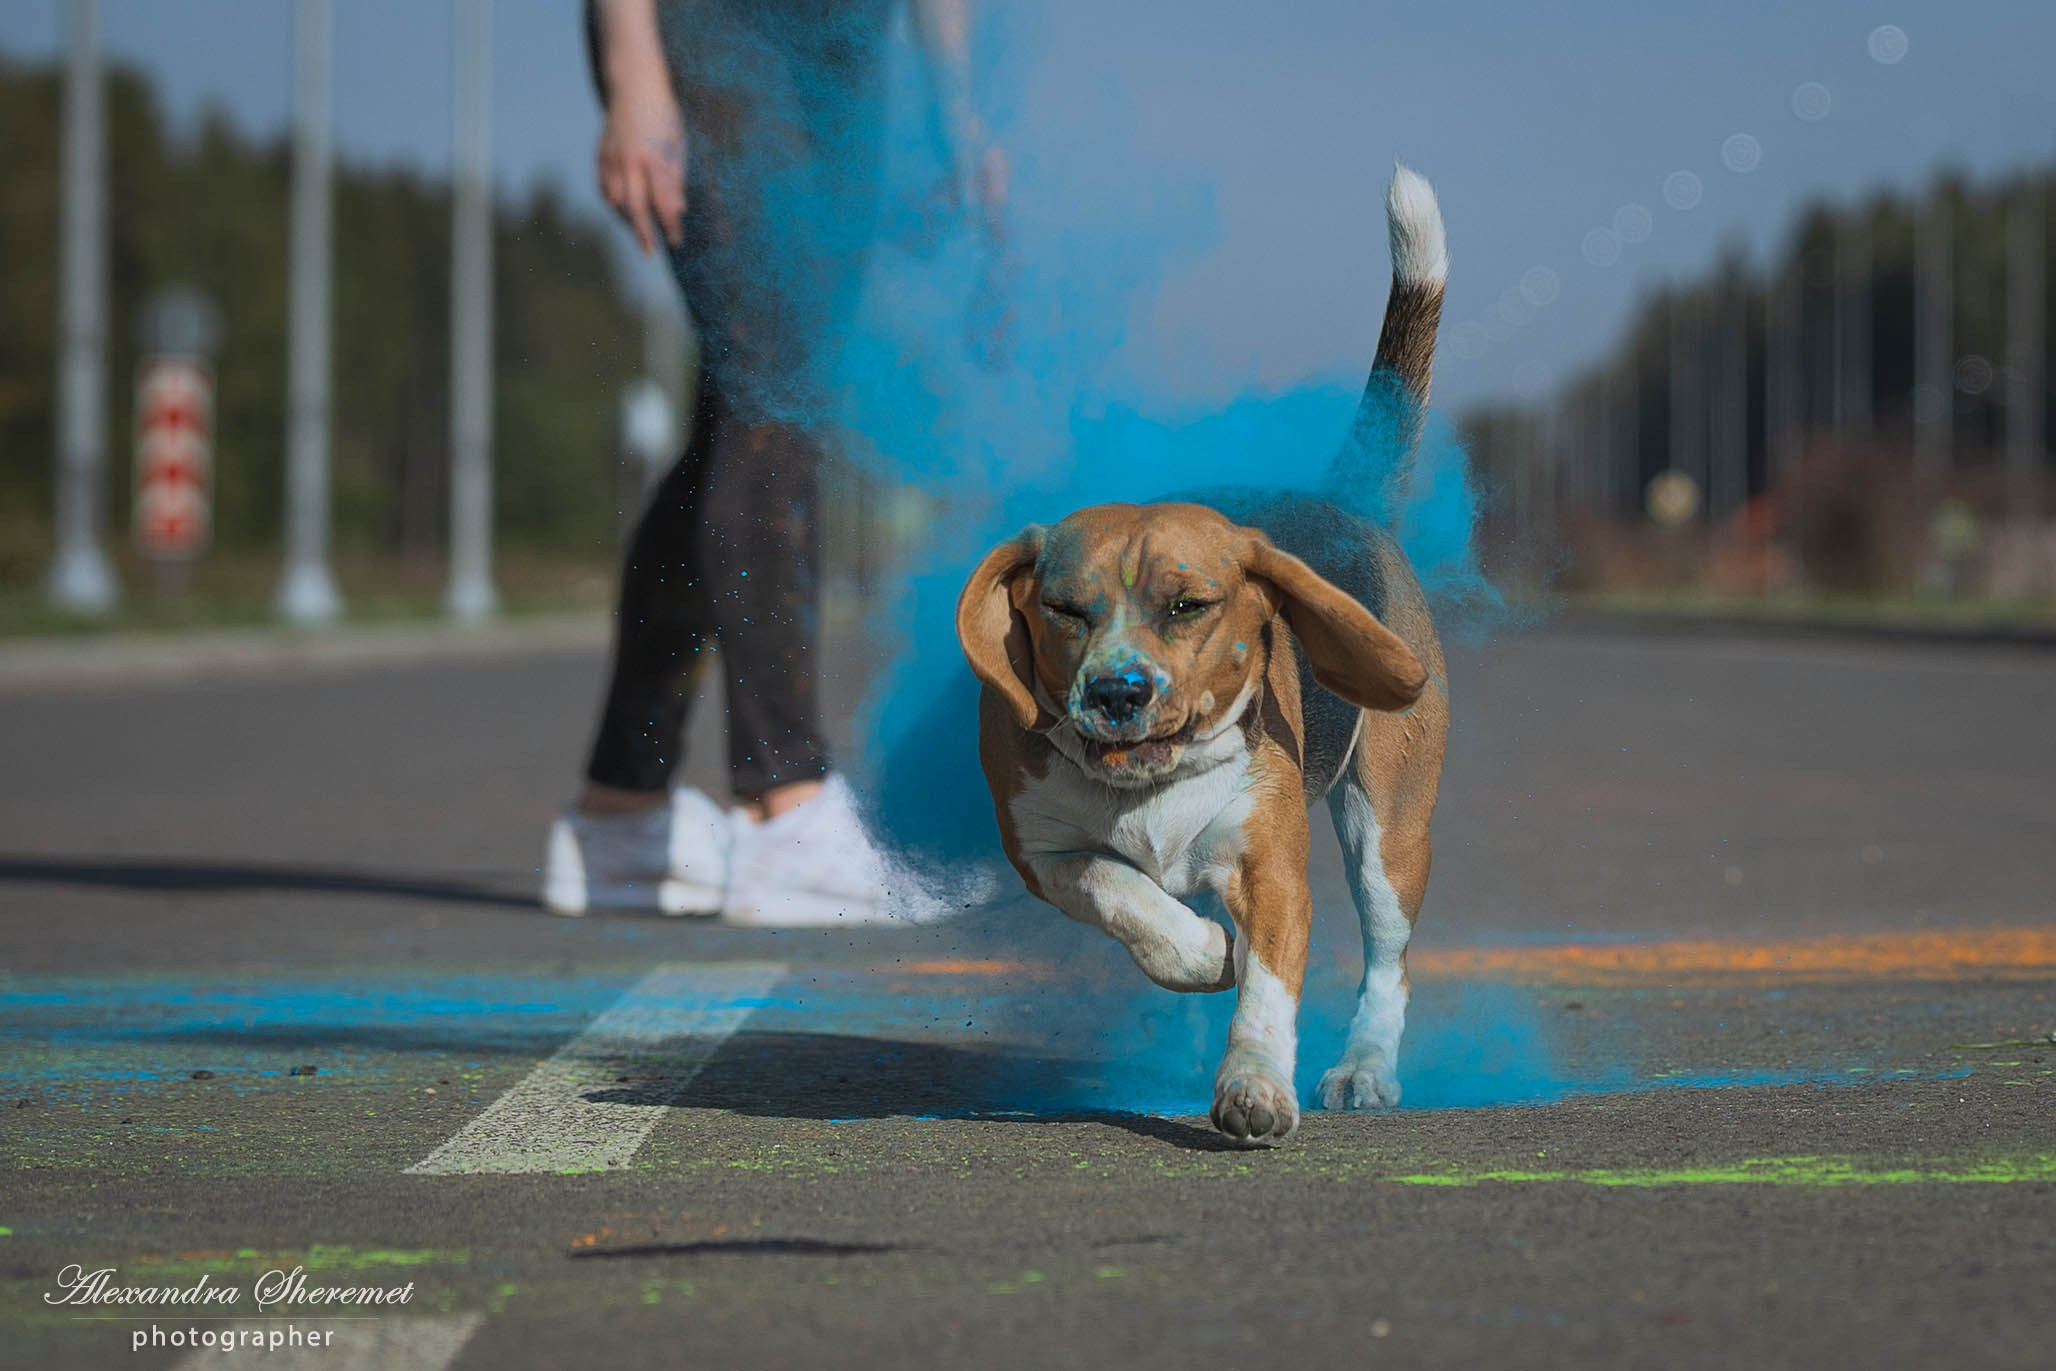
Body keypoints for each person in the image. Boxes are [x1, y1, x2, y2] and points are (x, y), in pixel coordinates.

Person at [544, 0, 1002, 922]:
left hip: (842, 58)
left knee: (752, 406)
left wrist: (956, 106)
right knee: (777, 392)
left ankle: (620, 809)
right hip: (711, 33)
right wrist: (634, 67)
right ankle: (783, 803)